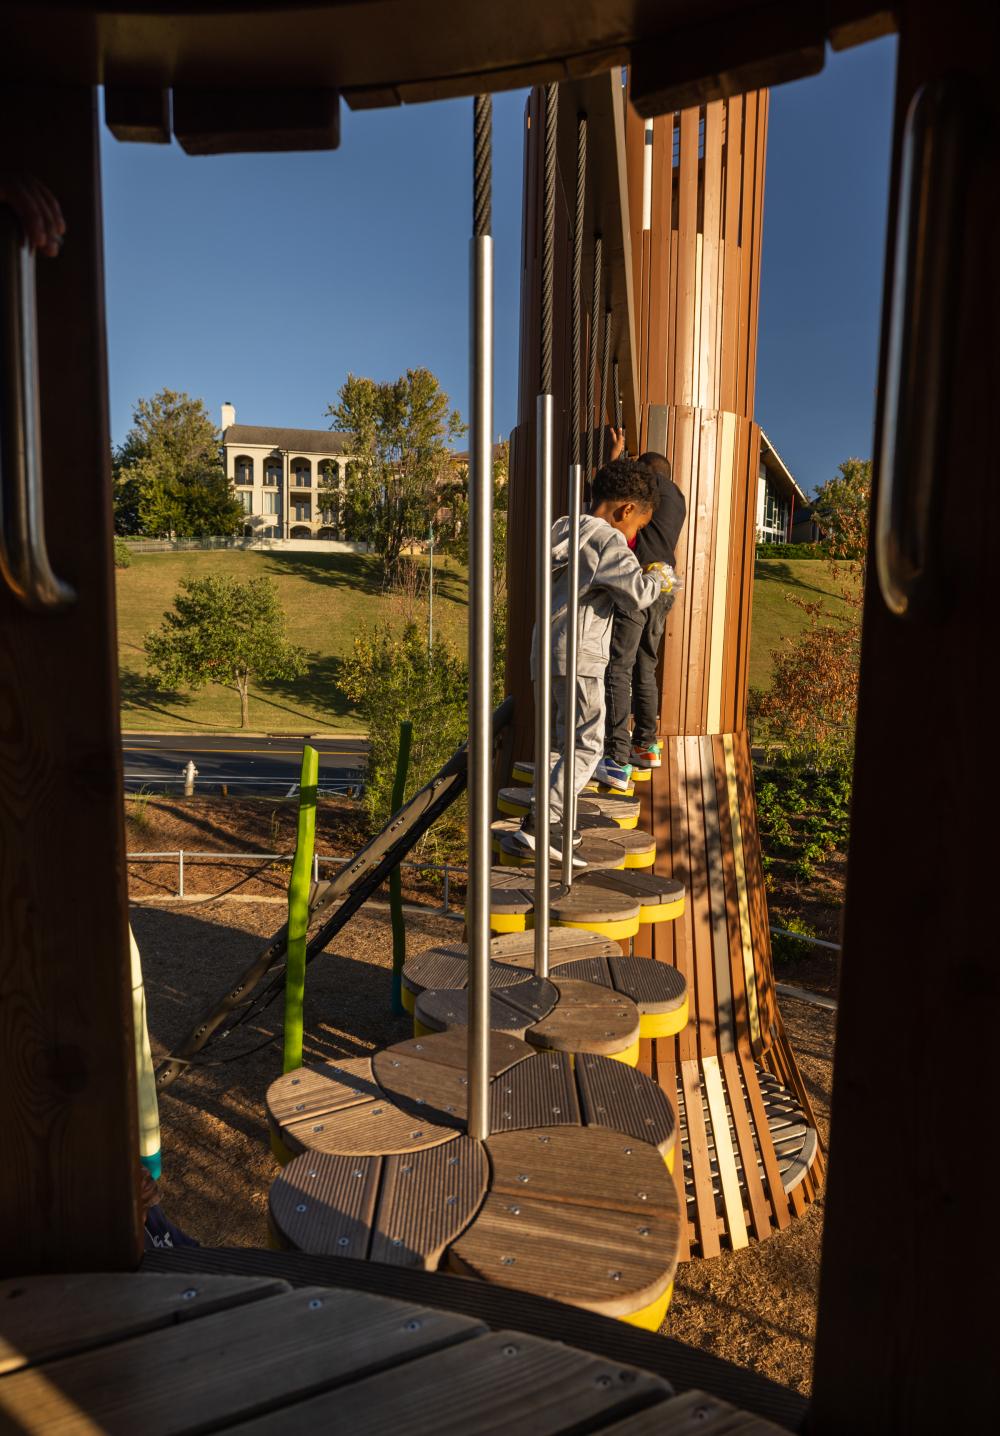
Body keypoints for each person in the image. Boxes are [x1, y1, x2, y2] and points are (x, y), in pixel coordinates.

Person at [513, 457, 677, 863]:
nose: (635, 534)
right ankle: (542, 825)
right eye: (638, 526)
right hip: (582, 654)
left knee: (558, 743)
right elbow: (637, 593)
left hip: (546, 650)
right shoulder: (609, 542)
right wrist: (661, 576)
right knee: (587, 744)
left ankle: (552, 820)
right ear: (626, 510)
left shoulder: (563, 528)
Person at [597, 450, 686, 788]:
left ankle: (616, 754)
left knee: (619, 665)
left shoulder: (648, 488)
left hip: (639, 582)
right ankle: (646, 744)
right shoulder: (677, 497)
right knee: (646, 664)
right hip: (665, 585)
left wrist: (617, 456)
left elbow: (618, 487)